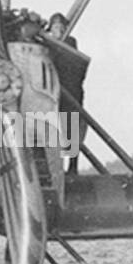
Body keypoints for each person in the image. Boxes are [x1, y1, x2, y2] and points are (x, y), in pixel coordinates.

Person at [47, 13, 88, 175]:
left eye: (61, 27)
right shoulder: (49, 45)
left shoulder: (70, 43)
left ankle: (72, 167)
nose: (59, 30)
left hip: (70, 92)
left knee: (71, 130)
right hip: (55, 93)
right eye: (55, 27)